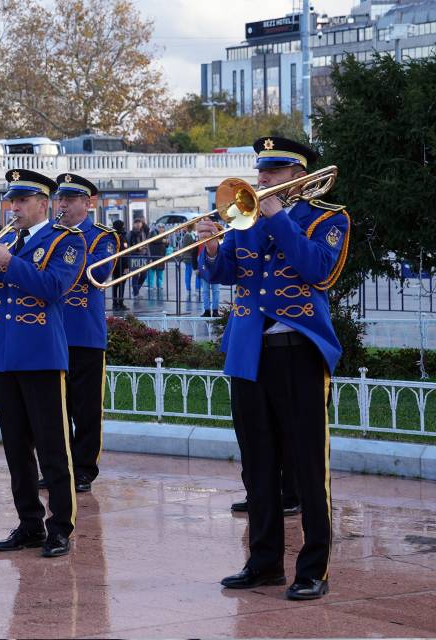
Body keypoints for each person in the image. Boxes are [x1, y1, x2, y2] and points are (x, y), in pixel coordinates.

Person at [198, 136, 348, 601]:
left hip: (299, 351)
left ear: (298, 174)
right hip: (247, 351)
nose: (262, 178)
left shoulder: (329, 218)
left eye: (275, 170)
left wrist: (278, 217)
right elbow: (229, 273)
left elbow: (318, 270)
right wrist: (208, 251)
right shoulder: (243, 218)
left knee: (307, 467)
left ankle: (313, 569)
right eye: (262, 169)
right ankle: (264, 563)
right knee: (256, 465)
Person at [0, 169, 85, 558]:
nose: (13, 208)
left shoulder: (66, 241)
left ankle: (60, 527)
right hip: (0, 354)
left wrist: (9, 261)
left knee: (52, 447)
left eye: (22, 201)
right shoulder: (7, 241)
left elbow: (53, 287)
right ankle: (29, 523)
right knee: (16, 448)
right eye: (11, 201)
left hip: (40, 355)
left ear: (43, 204)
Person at [54, 173, 117, 493]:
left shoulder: (103, 236)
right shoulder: (48, 235)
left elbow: (98, 271)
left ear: (87, 203)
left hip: (85, 333)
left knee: (86, 408)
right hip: (52, 334)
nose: (61, 204)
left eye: (69, 199)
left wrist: (61, 250)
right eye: (60, 199)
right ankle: (58, 466)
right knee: (54, 409)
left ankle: (83, 468)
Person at [125, 218, 149, 299]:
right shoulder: (130, 234)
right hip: (134, 256)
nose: (138, 224)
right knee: (135, 276)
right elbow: (128, 247)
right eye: (137, 223)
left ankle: (136, 290)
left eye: (140, 223)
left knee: (144, 275)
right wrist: (136, 249)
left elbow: (146, 245)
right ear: (134, 224)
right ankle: (136, 293)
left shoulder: (143, 233)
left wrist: (148, 256)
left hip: (143, 256)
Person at [109, 218, 128, 311]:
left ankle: (120, 302)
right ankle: (116, 302)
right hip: (117, 263)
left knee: (122, 283)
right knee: (116, 283)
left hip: (123, 263)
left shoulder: (122, 236)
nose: (124, 228)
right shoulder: (114, 237)